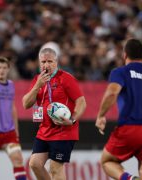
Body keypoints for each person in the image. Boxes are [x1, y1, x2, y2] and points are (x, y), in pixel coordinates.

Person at [95, 39, 142, 180]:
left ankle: (129, 179)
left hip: (131, 127)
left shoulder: (120, 72)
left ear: (125, 55)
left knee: (107, 161)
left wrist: (101, 115)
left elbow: (112, 93)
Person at [22, 46, 86, 180]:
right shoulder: (37, 80)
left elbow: (81, 102)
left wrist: (72, 120)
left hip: (64, 130)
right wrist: (37, 86)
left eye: (50, 61)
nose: (46, 65)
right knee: (35, 164)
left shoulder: (66, 78)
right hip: (44, 131)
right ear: (39, 63)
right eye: (43, 62)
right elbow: (25, 104)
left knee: (55, 168)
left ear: (56, 62)